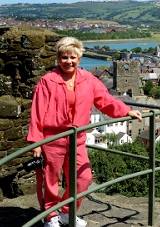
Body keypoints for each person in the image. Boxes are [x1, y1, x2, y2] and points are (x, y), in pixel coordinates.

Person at [26, 36, 142, 227]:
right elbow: (37, 112)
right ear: (58, 58)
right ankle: (50, 216)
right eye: (64, 57)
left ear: (79, 58)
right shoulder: (47, 81)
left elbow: (105, 100)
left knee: (83, 177)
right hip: (52, 138)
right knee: (51, 180)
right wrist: (36, 142)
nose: (68, 61)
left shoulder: (88, 79)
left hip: (77, 137)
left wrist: (126, 111)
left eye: (72, 57)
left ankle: (67, 212)